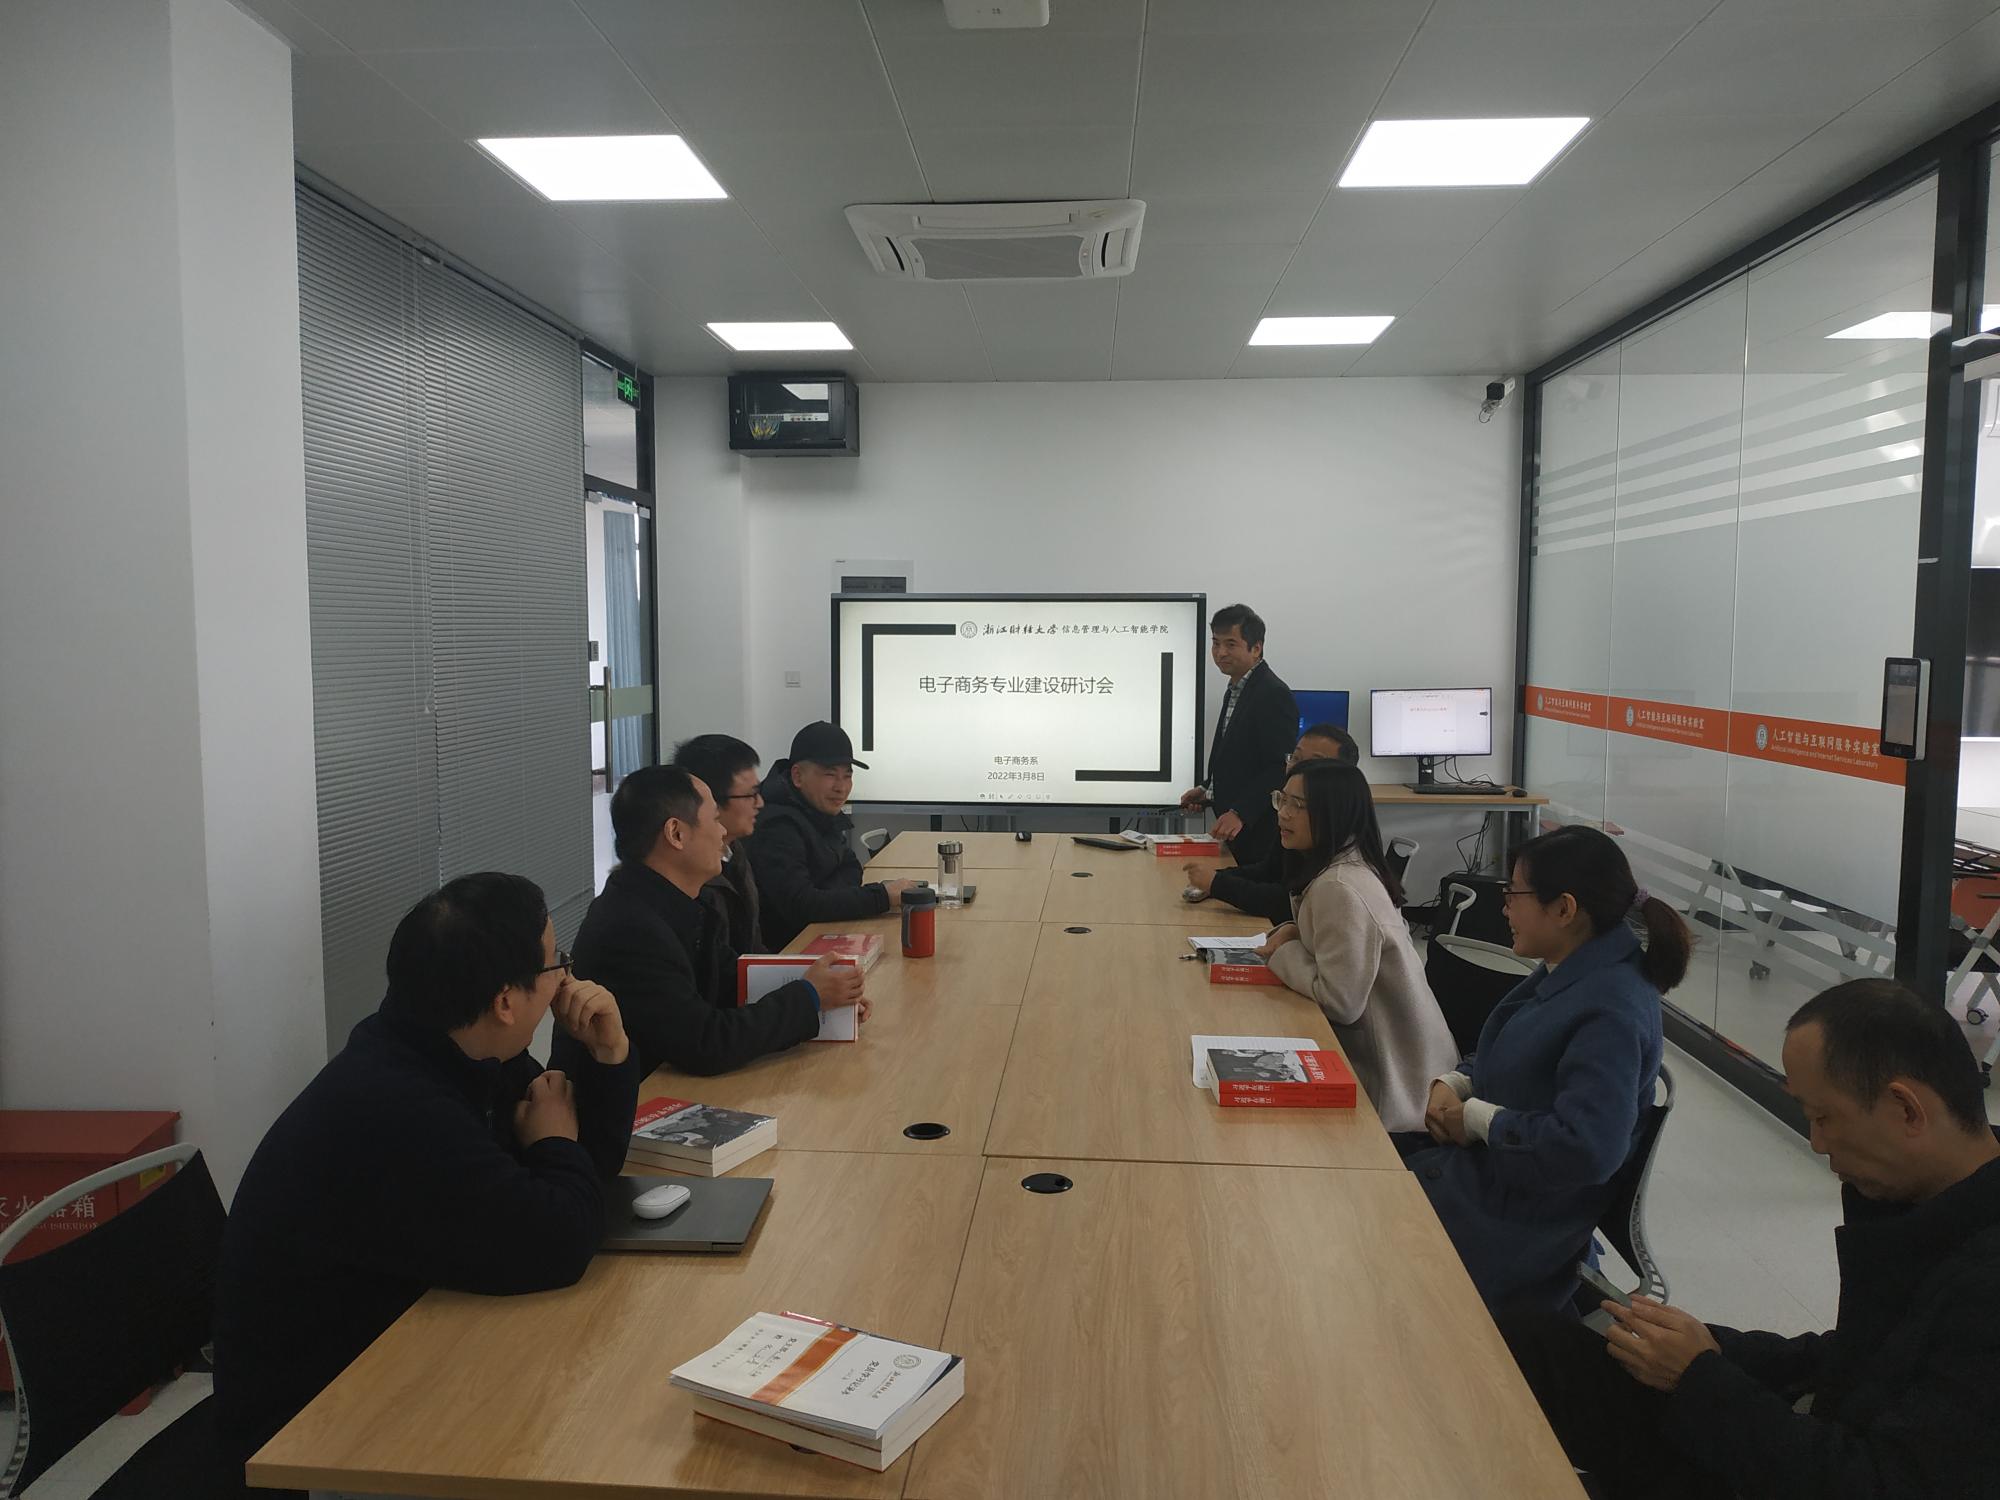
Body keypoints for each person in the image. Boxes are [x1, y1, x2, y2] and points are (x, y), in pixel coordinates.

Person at [1501, 979, 2000, 1500]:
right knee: (1534, 1344)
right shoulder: (1924, 1206)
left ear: (1906, 1110)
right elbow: (1855, 1357)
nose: (1816, 1142)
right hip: (1792, 1435)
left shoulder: (1985, 1286)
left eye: (1823, 1117)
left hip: (1806, 1466)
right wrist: (1710, 1348)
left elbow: (1882, 1481)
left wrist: (1700, 1378)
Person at [214, 873, 642, 1469]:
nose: (566, 980)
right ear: (505, 1002)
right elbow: (561, 1240)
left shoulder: (457, 1048)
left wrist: (607, 1054)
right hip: (311, 1434)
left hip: (398, 1353)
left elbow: (585, 1173)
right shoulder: (396, 1107)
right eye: (555, 963)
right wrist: (551, 1141)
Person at [1402, 824, 1688, 1310]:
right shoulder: (1573, 964)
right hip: (1489, 1181)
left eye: (1514, 895)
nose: (1504, 908)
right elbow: (1513, 1045)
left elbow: (1587, 1148)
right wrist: (1458, 1081)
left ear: (1564, 909)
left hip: (1515, 1225)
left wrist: (1478, 1119)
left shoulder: (1611, 1009)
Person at [564, 764, 867, 1078]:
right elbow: (706, 1043)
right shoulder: (629, 928)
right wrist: (809, 996)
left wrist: (829, 997)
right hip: (637, 1096)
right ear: (676, 834)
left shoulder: (689, 900)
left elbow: (734, 980)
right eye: (714, 819)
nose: (723, 832)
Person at [1256, 758, 1457, 1133]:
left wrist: (1283, 953)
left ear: (1335, 813)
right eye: (1281, 799)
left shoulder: (1340, 886)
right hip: (1395, 1073)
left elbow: (1341, 1002)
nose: (1283, 813)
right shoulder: (1343, 867)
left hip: (1396, 1095)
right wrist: (1294, 933)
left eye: (1298, 805)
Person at [747, 721, 917, 950]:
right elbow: (802, 906)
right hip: (789, 952)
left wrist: (824, 896)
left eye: (847, 776)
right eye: (830, 774)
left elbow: (851, 866)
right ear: (797, 776)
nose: (841, 787)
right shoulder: (776, 825)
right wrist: (883, 897)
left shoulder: (816, 809)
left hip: (822, 935)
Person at [1186, 722, 1358, 924]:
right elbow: (1269, 871)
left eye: (1314, 762)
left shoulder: (1339, 839)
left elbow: (1289, 903)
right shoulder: (1292, 814)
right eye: (1296, 758)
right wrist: (1215, 876)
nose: (1298, 768)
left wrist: (1217, 884)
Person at [1178, 603, 1295, 865]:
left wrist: (1240, 812)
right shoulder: (1237, 688)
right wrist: (1207, 790)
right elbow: (1237, 757)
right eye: (1216, 643)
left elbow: (1278, 767)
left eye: (1231, 644)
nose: (1220, 653)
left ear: (1256, 648)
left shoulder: (1273, 694)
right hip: (1234, 828)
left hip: (1256, 829)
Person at [672, 732, 771, 955]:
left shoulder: (734, 851)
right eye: (751, 795)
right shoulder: (691, 877)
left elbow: (752, 947)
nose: (760, 803)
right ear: (710, 801)